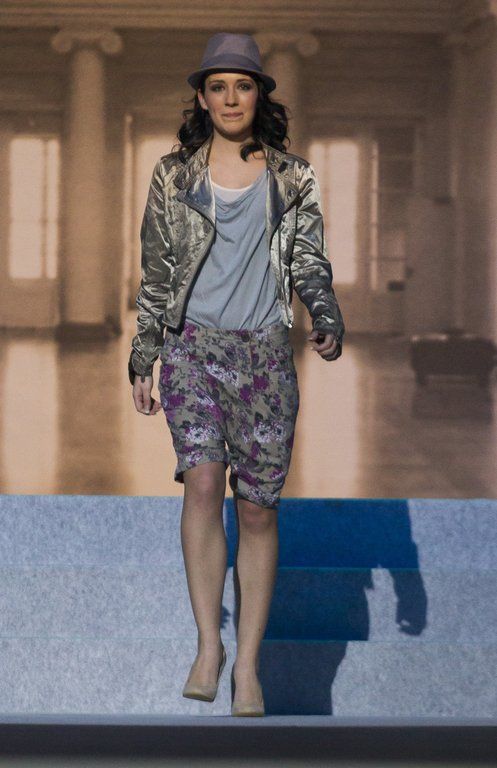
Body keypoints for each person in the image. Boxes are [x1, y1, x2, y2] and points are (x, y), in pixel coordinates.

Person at [128, 32, 345, 716]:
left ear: (258, 95)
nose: (230, 99)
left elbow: (306, 255)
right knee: (200, 482)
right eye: (217, 87)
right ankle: (207, 646)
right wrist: (144, 355)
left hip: (264, 356)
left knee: (256, 507)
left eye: (242, 85)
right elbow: (157, 269)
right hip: (191, 349)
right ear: (201, 97)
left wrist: (324, 311)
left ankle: (247, 665)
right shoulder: (173, 176)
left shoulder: (292, 176)